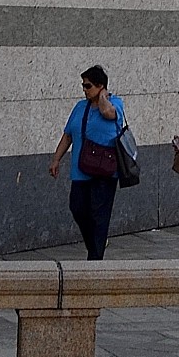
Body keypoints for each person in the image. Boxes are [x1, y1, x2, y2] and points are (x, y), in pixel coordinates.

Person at [49, 64, 127, 261]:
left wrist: (102, 96)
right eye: (83, 86)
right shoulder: (80, 107)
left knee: (99, 215)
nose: (84, 90)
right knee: (78, 208)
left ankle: (95, 259)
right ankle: (94, 244)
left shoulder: (114, 103)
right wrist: (56, 159)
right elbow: (68, 136)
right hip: (81, 170)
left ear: (101, 86)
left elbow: (108, 113)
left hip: (105, 171)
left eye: (88, 86)